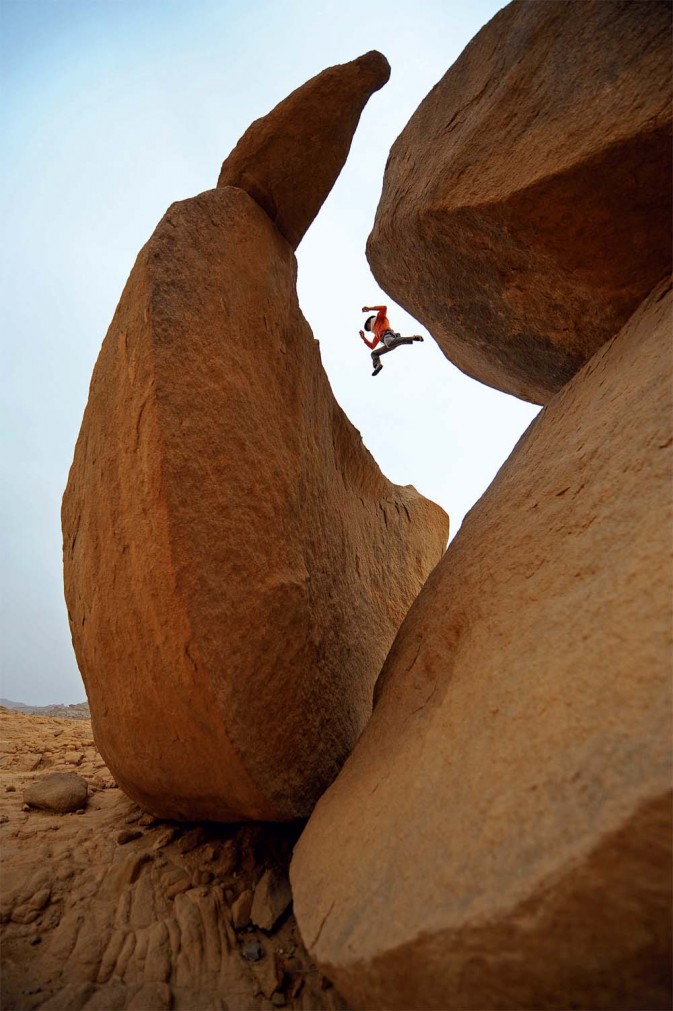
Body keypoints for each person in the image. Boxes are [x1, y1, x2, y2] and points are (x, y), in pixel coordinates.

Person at [359, 305, 423, 376]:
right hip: (387, 342)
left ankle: (413, 338)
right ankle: (377, 365)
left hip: (388, 335)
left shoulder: (379, 318)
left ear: (369, 322)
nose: (370, 329)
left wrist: (369, 308)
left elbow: (384, 308)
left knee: (390, 343)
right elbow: (372, 346)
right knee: (374, 353)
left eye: (368, 327)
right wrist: (363, 338)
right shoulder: (377, 334)